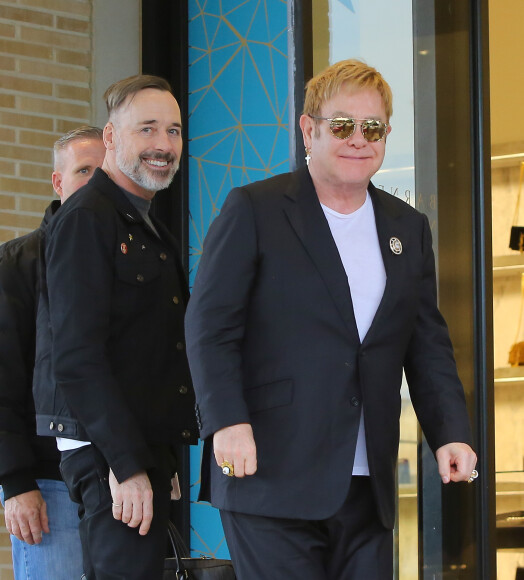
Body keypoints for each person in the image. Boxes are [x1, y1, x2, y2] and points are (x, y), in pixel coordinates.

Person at [184, 59, 478, 580]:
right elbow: (210, 327)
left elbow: (425, 342)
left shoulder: (407, 226)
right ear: (308, 129)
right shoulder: (256, 208)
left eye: (372, 128)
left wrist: (450, 432)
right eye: (341, 125)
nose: (357, 140)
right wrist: (227, 420)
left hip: (369, 483)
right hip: (270, 474)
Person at [33, 74, 198, 580]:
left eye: (172, 131)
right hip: (111, 459)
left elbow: (155, 351)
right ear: (110, 138)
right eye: (146, 129)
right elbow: (78, 358)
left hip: (144, 454)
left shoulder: (145, 221)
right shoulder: (87, 218)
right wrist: (126, 466)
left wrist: (164, 458)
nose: (163, 145)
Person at [0, 125, 106, 580]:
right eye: (84, 170)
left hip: (118, 481)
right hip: (48, 485)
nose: (96, 181)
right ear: (58, 182)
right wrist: (16, 483)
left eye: (105, 171)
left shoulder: (131, 263)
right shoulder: (13, 266)